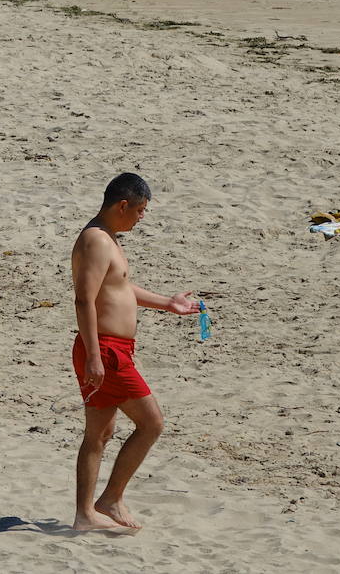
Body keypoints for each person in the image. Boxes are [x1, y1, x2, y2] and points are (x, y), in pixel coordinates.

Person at [70, 173, 199, 531]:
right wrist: (94, 356)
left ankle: (85, 514)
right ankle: (109, 499)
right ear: (122, 205)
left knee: (99, 433)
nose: (142, 217)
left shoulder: (107, 238)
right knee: (151, 423)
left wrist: (168, 303)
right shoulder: (96, 240)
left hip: (109, 349)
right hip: (105, 350)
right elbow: (84, 300)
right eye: (140, 210)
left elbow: (120, 288)